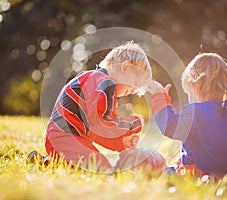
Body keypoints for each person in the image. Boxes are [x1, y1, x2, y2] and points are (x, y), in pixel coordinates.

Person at [28, 42, 152, 171]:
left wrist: (121, 142)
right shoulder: (102, 84)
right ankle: (48, 162)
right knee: (100, 167)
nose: (134, 90)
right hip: (67, 137)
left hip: (65, 138)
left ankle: (43, 163)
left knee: (91, 164)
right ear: (126, 67)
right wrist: (131, 124)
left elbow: (98, 131)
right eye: (136, 83)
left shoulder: (98, 84)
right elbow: (102, 122)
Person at [147, 52, 227, 183]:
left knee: (162, 173)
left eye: (188, 92)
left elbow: (170, 126)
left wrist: (159, 98)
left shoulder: (194, 113)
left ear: (195, 86)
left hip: (201, 176)